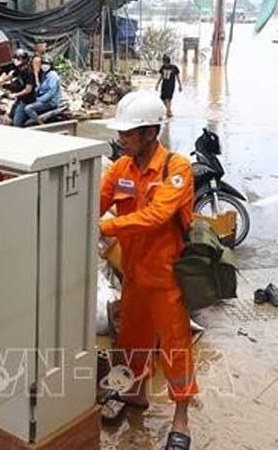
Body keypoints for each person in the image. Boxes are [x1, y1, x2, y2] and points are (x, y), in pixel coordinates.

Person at [101, 90, 197, 450]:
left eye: (128, 133)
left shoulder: (177, 170)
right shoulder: (120, 169)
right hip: (134, 276)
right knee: (132, 341)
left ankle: (181, 418)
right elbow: (96, 202)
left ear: (150, 133)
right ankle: (137, 394)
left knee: (175, 347)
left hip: (167, 277)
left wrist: (106, 228)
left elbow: (157, 216)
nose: (121, 139)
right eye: (121, 133)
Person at [21, 55, 62, 127]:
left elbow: (51, 93)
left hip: (51, 101)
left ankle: (41, 124)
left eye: (46, 64)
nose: (44, 66)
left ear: (50, 65)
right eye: (43, 64)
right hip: (44, 98)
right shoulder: (44, 74)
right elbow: (39, 87)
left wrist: (39, 99)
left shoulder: (53, 75)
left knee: (28, 108)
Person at [6, 48, 37, 126]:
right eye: (15, 58)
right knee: (10, 116)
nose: (15, 60)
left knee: (16, 124)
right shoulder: (19, 69)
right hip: (20, 100)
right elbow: (9, 76)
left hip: (27, 101)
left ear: (24, 60)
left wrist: (15, 95)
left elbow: (28, 90)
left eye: (18, 58)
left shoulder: (28, 72)